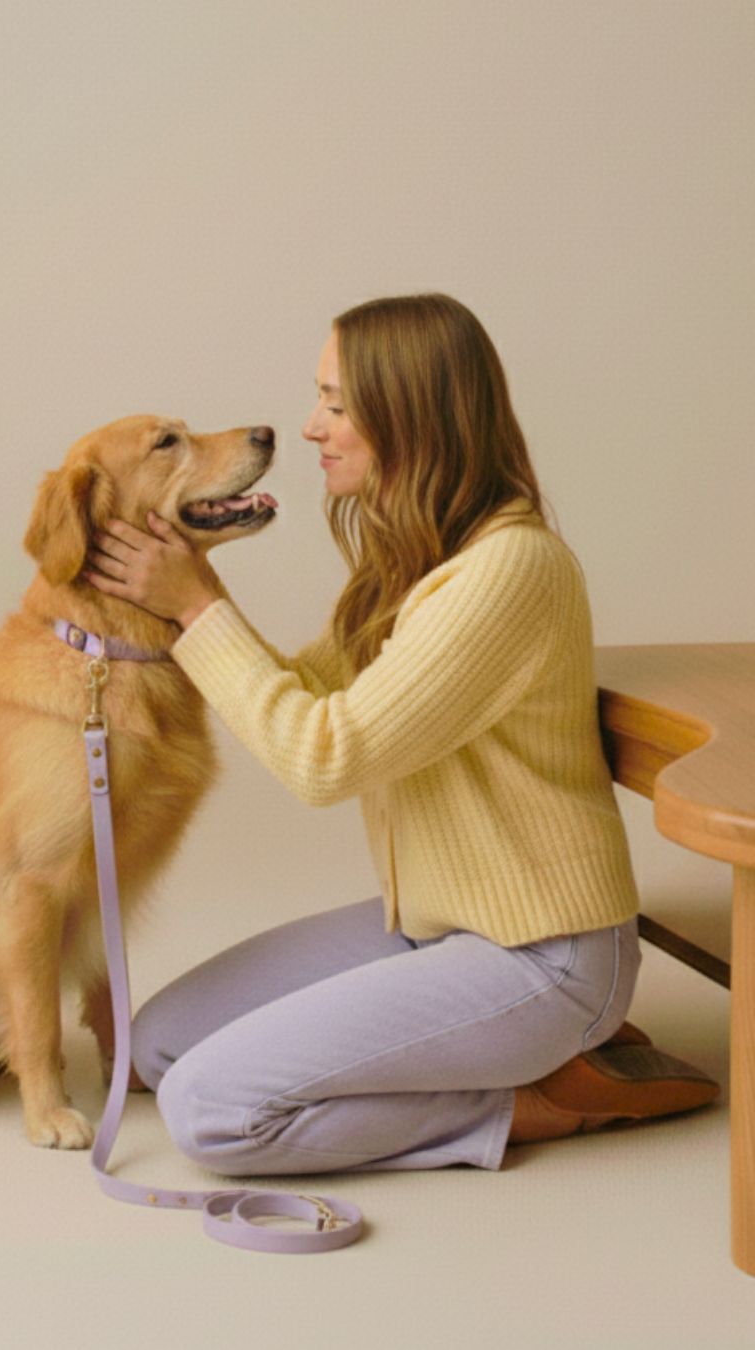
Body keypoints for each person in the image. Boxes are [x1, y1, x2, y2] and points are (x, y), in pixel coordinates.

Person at [82, 293, 719, 1177]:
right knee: (157, 1044)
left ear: (411, 416)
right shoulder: (413, 561)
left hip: (543, 958)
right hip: (433, 926)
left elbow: (322, 756)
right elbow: (300, 690)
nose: (311, 427)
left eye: (337, 404)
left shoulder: (511, 569)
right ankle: (498, 1051)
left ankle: (538, 1094)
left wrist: (194, 606)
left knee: (210, 1112)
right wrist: (189, 597)